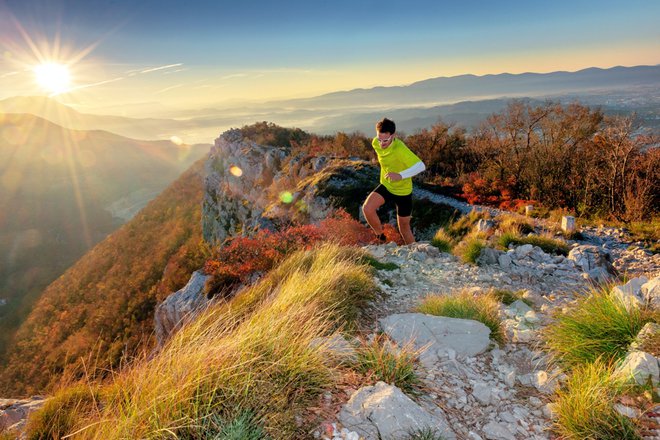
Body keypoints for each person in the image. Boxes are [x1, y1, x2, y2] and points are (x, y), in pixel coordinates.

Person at [362, 118, 425, 245]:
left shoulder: (400, 149)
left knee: (404, 228)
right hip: (386, 185)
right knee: (367, 209)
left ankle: (415, 254)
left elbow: (421, 166)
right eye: (379, 139)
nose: (381, 143)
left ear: (393, 136)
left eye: (385, 140)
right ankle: (381, 238)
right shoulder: (375, 143)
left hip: (403, 192)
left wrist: (400, 175)